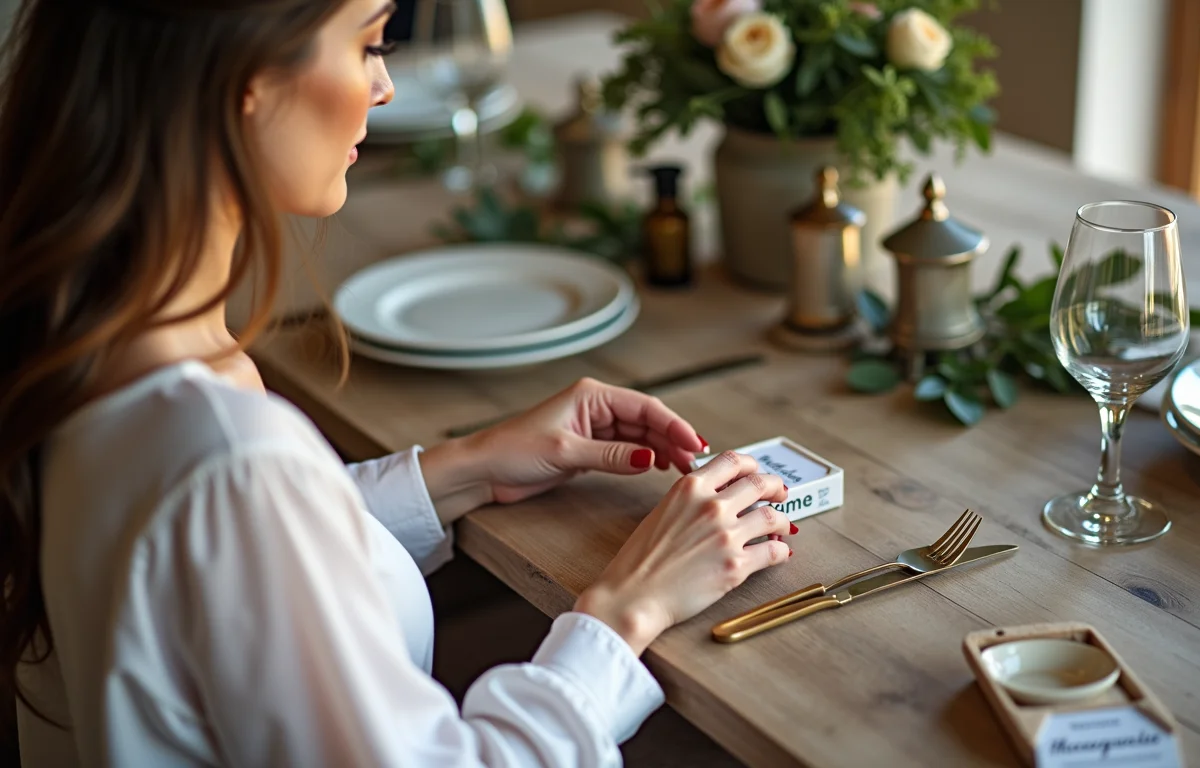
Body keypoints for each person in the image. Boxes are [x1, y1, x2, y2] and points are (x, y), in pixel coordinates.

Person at [0, 1, 798, 765]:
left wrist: (467, 463)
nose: (384, 85)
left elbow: (234, 564)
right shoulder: (232, 459)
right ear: (243, 80)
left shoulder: (90, 345)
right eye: (369, 43)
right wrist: (629, 606)